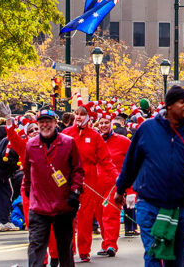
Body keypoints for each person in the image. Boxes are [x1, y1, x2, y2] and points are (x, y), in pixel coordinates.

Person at [115, 85, 184, 267]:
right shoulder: (147, 129)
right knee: (153, 254)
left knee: (175, 258)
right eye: (181, 102)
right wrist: (120, 189)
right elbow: (131, 163)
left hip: (181, 207)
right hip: (149, 204)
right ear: (169, 106)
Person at [22, 109, 84, 267]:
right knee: (36, 247)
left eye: (48, 121)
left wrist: (75, 192)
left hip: (63, 205)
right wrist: (29, 193)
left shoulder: (68, 142)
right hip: (39, 207)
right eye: (41, 122)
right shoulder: (31, 145)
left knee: (65, 248)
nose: (45, 125)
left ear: (55, 122)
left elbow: (77, 170)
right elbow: (27, 173)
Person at [63, 104, 117, 263]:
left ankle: (84, 251)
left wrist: (118, 180)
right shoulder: (66, 134)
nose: (79, 116)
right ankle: (69, 248)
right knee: (67, 218)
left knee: (85, 218)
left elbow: (106, 161)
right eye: (76, 113)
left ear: (88, 116)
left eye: (82, 114)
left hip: (89, 184)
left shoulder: (95, 136)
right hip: (68, 183)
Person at [95, 114, 131, 257]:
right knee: (100, 215)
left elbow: (131, 164)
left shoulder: (123, 141)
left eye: (106, 122)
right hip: (96, 185)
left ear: (111, 124)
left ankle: (111, 244)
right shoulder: (94, 140)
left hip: (115, 185)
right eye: (101, 123)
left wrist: (129, 188)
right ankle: (106, 242)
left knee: (110, 214)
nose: (103, 125)